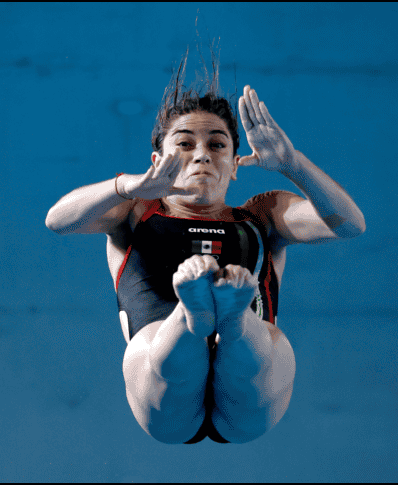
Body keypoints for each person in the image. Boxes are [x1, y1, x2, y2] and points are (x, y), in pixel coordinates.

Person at [45, 52, 365, 444]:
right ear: (157, 159)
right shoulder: (132, 211)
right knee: (152, 348)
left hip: (248, 393)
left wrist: (293, 164)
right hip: (162, 393)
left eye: (217, 145)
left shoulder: (263, 215)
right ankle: (200, 315)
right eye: (184, 144)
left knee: (270, 350)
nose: (201, 154)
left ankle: (228, 318)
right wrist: (126, 185)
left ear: (234, 164)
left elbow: (349, 225)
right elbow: (58, 220)